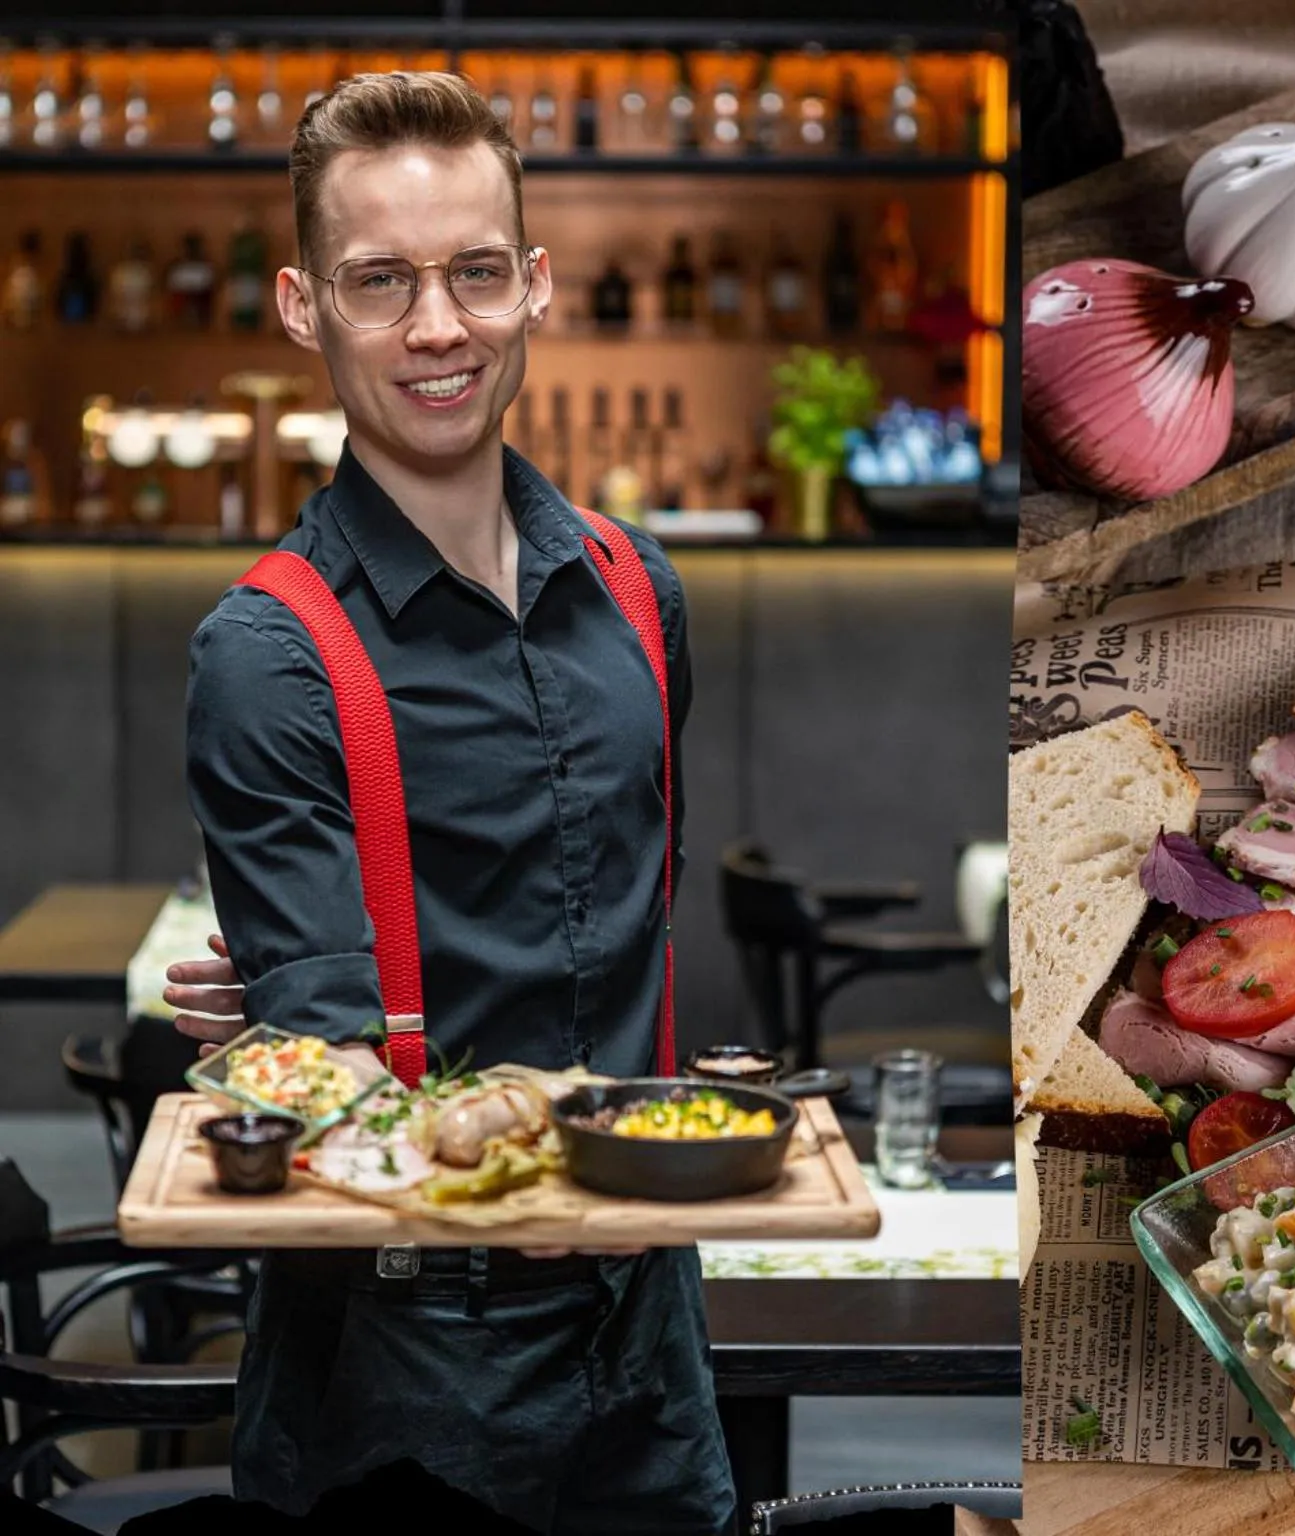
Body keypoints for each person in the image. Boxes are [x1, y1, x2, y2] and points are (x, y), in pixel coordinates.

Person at [162, 71, 735, 1536]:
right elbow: (332, 1057)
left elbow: (616, 906)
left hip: (648, 1315)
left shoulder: (636, 589)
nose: (438, 327)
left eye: (476, 272)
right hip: (409, 1341)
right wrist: (282, 1042)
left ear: (533, 285)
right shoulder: (267, 654)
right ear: (304, 307)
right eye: (381, 282)